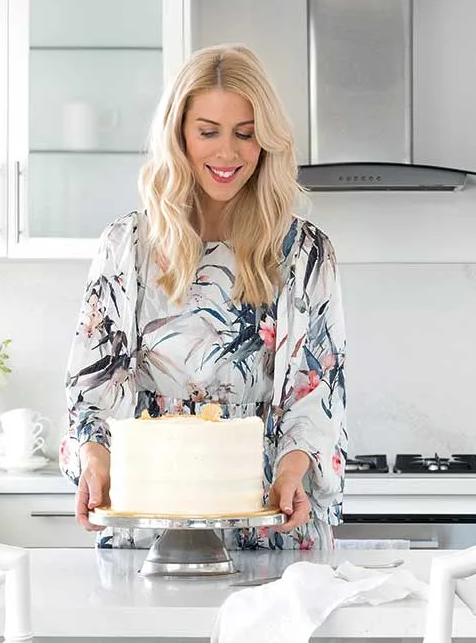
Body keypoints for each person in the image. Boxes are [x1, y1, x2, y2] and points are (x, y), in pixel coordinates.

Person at [62, 43, 347, 549]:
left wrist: (293, 470)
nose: (227, 153)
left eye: (245, 134)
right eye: (207, 132)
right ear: (178, 135)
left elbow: (315, 389)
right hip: (151, 524)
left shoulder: (303, 252)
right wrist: (95, 459)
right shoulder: (127, 247)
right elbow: (93, 385)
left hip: (270, 519)